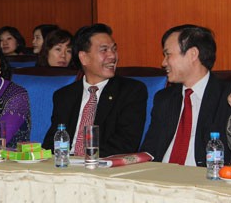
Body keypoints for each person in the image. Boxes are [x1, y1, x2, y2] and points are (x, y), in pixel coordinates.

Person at [42, 23, 147, 157]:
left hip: (101, 167)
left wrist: (85, 160)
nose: (112, 56)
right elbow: (52, 142)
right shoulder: (64, 95)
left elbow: (126, 144)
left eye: (114, 49)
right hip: (65, 165)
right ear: (84, 58)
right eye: (104, 50)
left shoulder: (131, 91)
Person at [141, 25, 231, 166]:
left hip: (205, 180)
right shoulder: (164, 98)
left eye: (168, 54)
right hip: (159, 178)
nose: (163, 63)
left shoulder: (226, 97)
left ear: (192, 54)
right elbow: (149, 150)